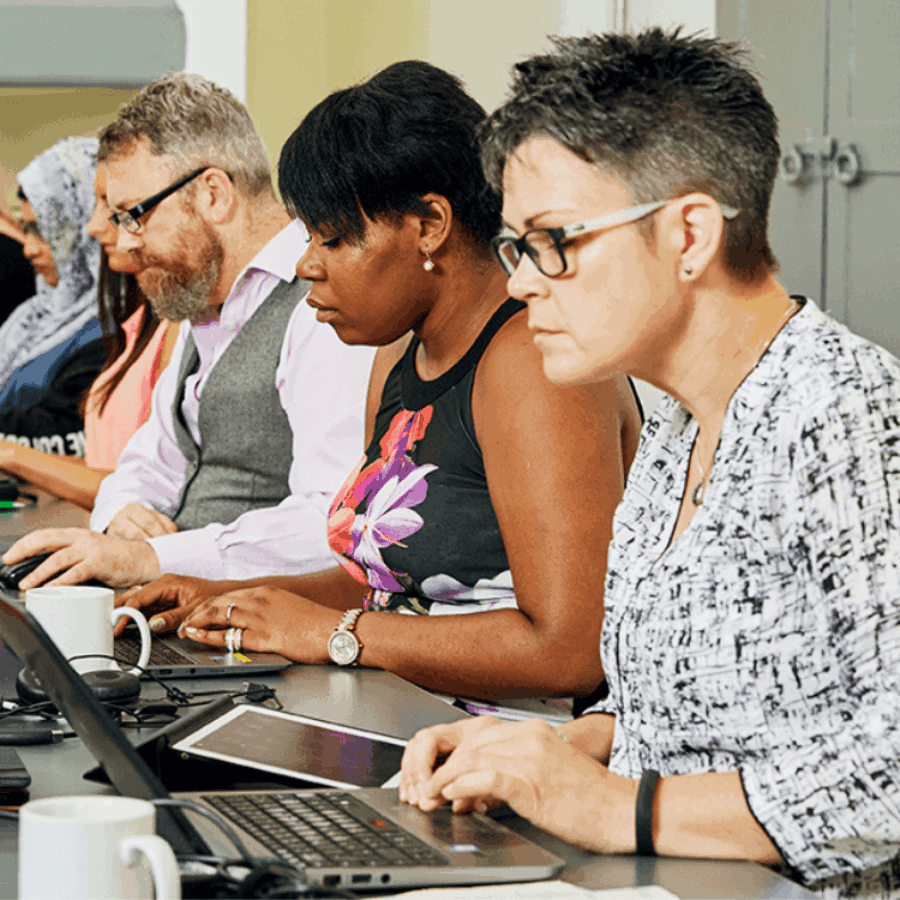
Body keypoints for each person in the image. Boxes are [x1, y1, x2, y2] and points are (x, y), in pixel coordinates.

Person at [397, 29, 900, 897]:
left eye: (555, 240)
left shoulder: (842, 413)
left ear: (690, 233)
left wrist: (612, 807)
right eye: (519, 245)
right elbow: (676, 711)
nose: (522, 282)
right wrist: (552, 748)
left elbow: (887, 776)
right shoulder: (676, 420)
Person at [115, 60, 642, 703]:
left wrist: (337, 633)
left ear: (429, 225)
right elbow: (389, 588)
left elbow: (567, 651)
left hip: (512, 748)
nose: (307, 265)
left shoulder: (533, 364)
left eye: (333, 239)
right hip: (399, 714)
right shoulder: (399, 357)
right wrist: (226, 599)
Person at [2, 72, 374, 589]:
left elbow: (332, 522)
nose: (121, 242)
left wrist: (154, 557)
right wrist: (123, 513)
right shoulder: (199, 304)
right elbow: (148, 458)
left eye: (133, 216)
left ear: (214, 194)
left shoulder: (322, 305)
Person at [0, 160, 176, 509]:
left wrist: (10, 454)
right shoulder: (133, 324)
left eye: (117, 210)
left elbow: (148, 486)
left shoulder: (151, 327)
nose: (95, 227)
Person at [0, 137, 102, 407]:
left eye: (44, 232)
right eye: (26, 230)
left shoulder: (108, 331)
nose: (29, 249)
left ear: (83, 226)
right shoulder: (32, 315)